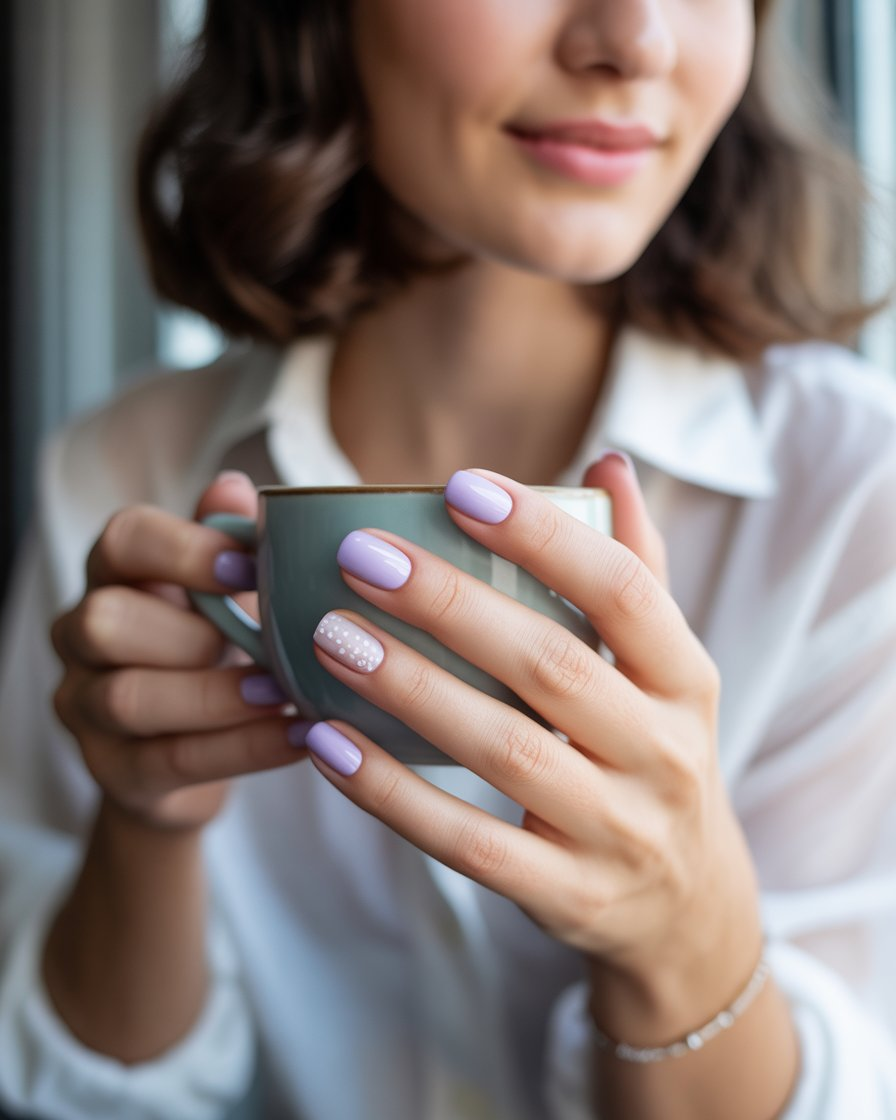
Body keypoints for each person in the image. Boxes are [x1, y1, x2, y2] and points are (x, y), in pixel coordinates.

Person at [1, 1, 895, 1117]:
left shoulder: (857, 495)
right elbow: (83, 1095)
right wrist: (142, 820)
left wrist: (683, 935)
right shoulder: (122, 472)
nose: (636, 41)